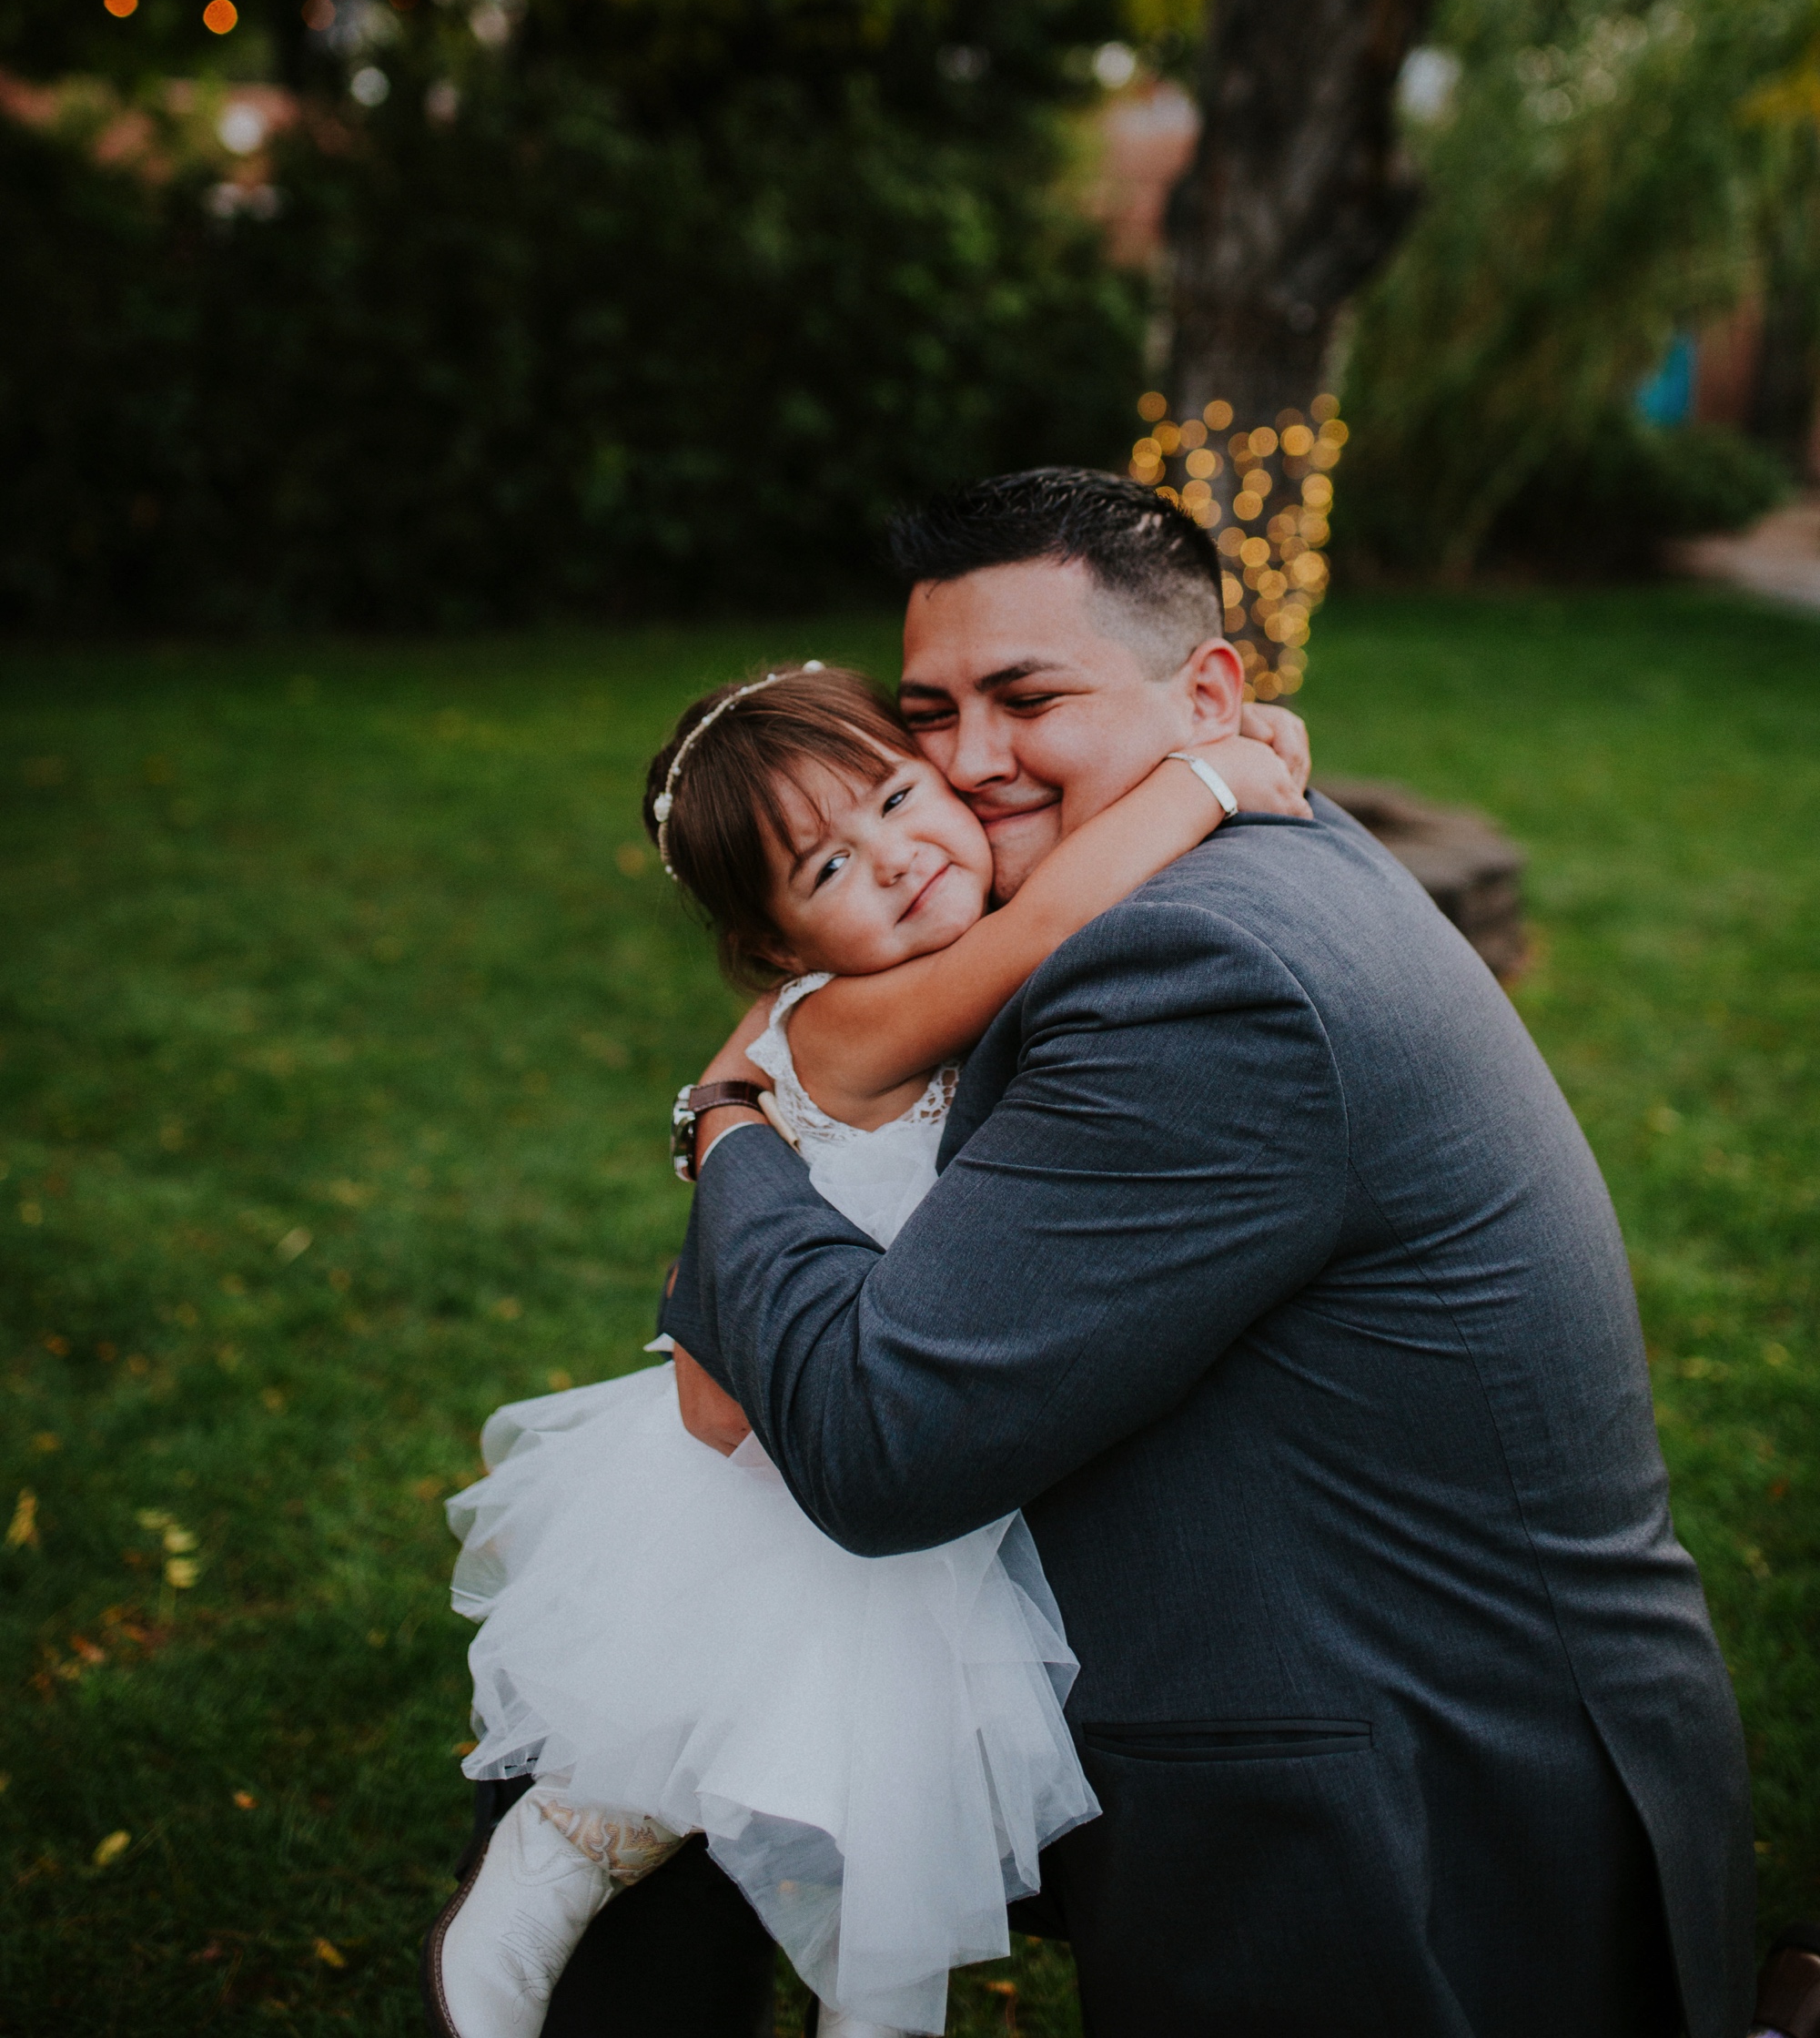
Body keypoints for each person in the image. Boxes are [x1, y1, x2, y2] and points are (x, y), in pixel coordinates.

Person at [663, 467, 1755, 2038]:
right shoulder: (1202, 864)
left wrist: (730, 1121)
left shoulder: (1199, 974)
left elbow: (876, 1440)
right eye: (929, 714)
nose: (969, 766)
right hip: (1362, 1717)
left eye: (1027, 698)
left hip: (1413, 1830)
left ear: (1211, 692)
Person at [421, 656, 1307, 2038]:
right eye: (830, 867)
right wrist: (1213, 777)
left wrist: (1206, 732)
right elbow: (1059, 915)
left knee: (879, 1810)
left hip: (894, 1441)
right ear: (783, 949)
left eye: (899, 797)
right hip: (781, 1476)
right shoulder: (846, 1019)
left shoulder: (877, 982)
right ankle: (538, 1883)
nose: (897, 860)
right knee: (721, 1743)